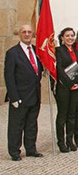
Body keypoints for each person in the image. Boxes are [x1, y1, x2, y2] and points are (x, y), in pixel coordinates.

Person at [5, 24, 43, 161]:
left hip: (34, 95)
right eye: (24, 32)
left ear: (33, 34)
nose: (27, 34)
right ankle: (14, 151)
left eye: (29, 32)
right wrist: (13, 97)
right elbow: (9, 77)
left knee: (32, 124)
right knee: (16, 125)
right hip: (20, 97)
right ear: (19, 34)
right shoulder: (12, 53)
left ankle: (31, 149)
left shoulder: (36, 50)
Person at [55, 27, 78, 153]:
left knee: (72, 115)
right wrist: (69, 83)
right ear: (62, 38)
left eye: (72, 35)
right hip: (63, 87)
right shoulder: (58, 51)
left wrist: (77, 83)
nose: (70, 38)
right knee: (62, 115)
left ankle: (69, 140)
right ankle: (61, 142)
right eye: (67, 36)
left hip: (76, 88)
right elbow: (59, 69)